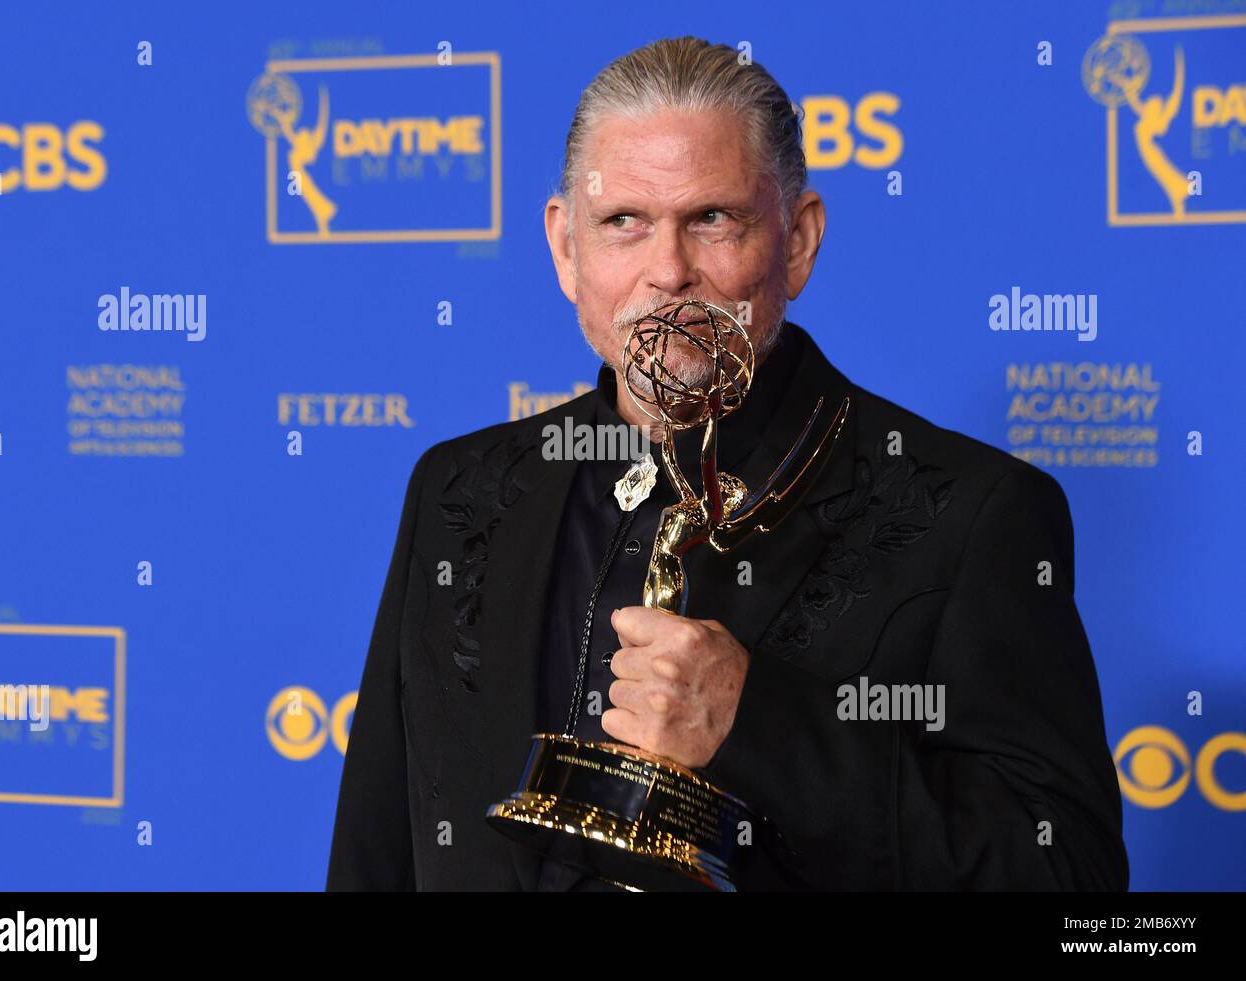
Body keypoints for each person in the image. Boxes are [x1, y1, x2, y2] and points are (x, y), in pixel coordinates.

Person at [325, 36, 1128, 891]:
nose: (667, 271)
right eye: (622, 221)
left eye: (712, 218)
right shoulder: (458, 489)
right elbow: (378, 853)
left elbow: (1069, 879)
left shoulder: (972, 512)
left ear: (799, 241)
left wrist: (760, 723)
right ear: (566, 248)